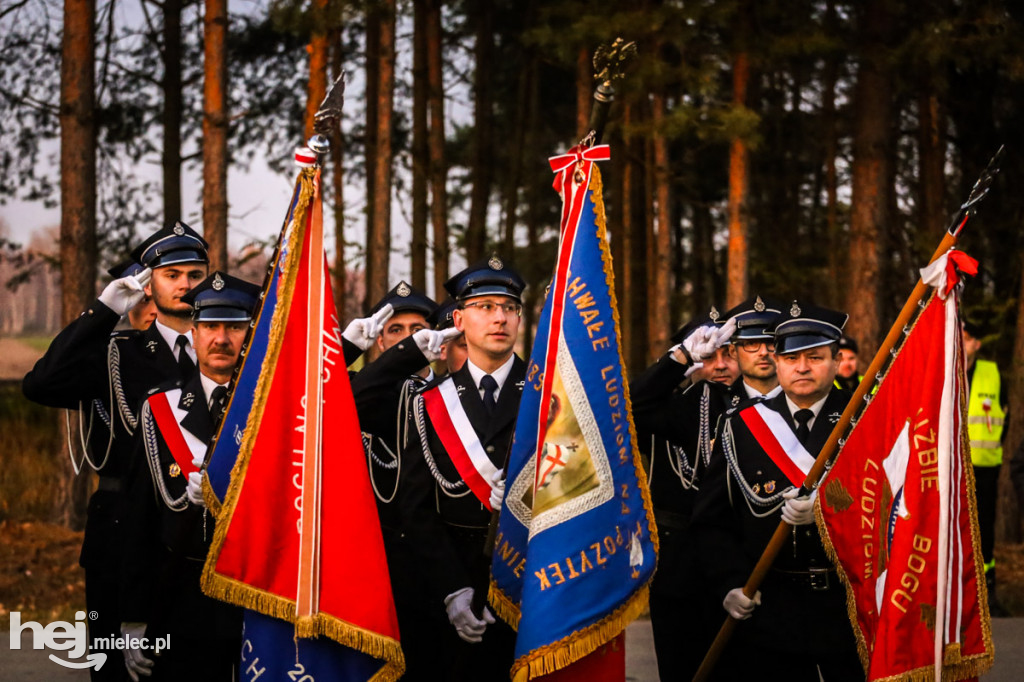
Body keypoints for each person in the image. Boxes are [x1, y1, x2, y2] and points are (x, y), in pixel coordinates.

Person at [22, 222, 209, 681]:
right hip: (123, 530)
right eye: (172, 274)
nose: (186, 284)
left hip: (202, 534)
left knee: (197, 665)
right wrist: (104, 311)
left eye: (197, 274)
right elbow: (42, 384)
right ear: (149, 284)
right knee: (118, 673)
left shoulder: (226, 352)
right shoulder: (117, 353)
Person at [690, 301, 861, 681]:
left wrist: (831, 506)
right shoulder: (743, 426)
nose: (802, 367)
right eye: (792, 358)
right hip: (771, 610)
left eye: (816, 357)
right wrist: (729, 583)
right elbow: (712, 522)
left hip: (848, 607)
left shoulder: (863, 418)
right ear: (778, 364)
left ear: (836, 361)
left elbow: (892, 506)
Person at [631, 297, 779, 680]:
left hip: (744, 562)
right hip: (681, 570)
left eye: (729, 353)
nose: (720, 365)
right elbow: (630, 406)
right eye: (708, 355)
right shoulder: (680, 404)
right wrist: (678, 360)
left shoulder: (758, 405)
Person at [119, 271, 257, 681]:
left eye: (234, 327)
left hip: (258, 594)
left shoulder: (273, 408)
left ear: (248, 335)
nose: (221, 339)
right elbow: (138, 517)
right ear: (193, 334)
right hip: (182, 598)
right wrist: (133, 616)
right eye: (211, 326)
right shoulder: (161, 408)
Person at [401, 256, 526, 680]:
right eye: (485, 306)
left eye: (509, 307)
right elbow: (416, 509)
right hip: (447, 584)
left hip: (527, 584)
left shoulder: (549, 397)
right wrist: (452, 587)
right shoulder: (429, 401)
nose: (499, 318)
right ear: (458, 319)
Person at [345, 281, 459, 680]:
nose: (412, 340)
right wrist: (357, 349)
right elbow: (342, 399)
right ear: (379, 343)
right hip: (380, 566)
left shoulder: (450, 396)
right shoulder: (374, 394)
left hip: (443, 565)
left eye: (419, 330)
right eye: (397, 331)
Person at [962, 318, 1009, 616]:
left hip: (984, 468)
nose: (962, 343)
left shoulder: (993, 373)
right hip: (947, 468)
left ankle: (986, 588)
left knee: (984, 529)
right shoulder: (942, 369)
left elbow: (1005, 416)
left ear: (977, 344)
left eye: (966, 338)